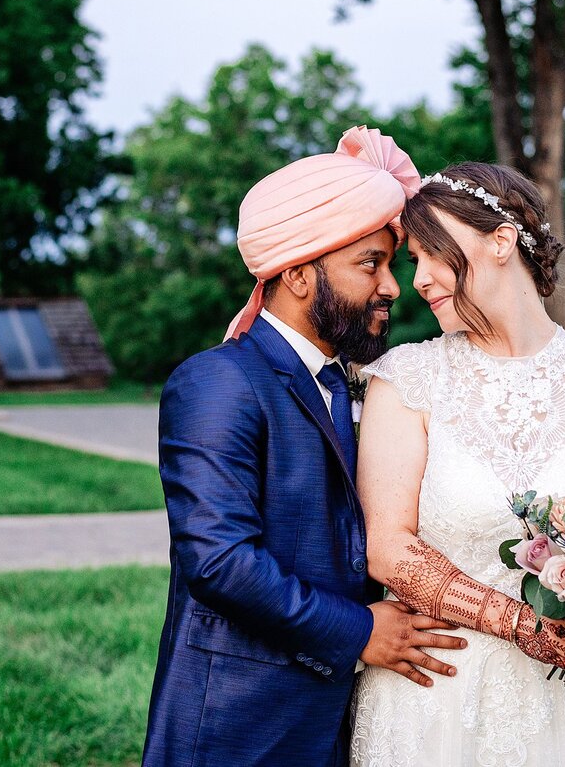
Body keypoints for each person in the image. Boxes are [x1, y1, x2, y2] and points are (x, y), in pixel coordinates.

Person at [142, 126, 471, 767]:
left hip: (344, 723)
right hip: (241, 723)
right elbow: (218, 562)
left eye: (388, 263)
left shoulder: (362, 384)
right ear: (297, 274)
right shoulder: (218, 381)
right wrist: (360, 632)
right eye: (368, 264)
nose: (392, 288)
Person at [349, 162, 565, 766]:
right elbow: (389, 548)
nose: (417, 281)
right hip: (435, 689)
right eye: (410, 261)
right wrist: (524, 627)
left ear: (501, 240)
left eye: (432, 255)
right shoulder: (405, 381)